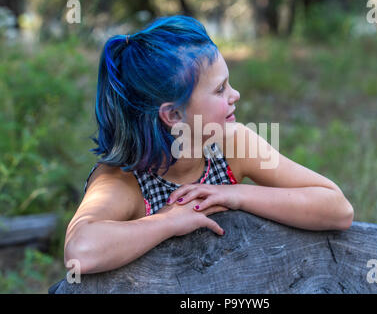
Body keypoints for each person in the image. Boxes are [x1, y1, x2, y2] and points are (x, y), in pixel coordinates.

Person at [64, 15, 354, 275]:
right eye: (220, 89)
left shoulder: (232, 144)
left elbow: (338, 209)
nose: (235, 94)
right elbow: (80, 251)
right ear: (174, 115)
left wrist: (235, 194)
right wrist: (168, 221)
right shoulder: (124, 179)